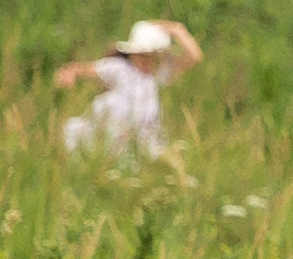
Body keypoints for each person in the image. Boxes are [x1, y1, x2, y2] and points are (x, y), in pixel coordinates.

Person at [57, 20, 203, 160]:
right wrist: (69, 74)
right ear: (132, 54)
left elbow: (194, 56)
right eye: (141, 55)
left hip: (141, 135)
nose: (145, 61)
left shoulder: (157, 75)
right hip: (112, 129)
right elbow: (83, 68)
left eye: (150, 56)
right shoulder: (119, 68)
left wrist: (176, 30)